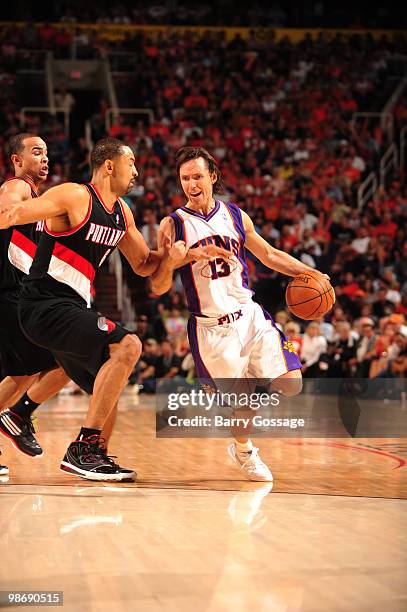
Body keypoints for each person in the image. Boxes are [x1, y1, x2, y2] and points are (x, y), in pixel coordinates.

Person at [0, 137, 191, 482]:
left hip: (70, 307)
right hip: (42, 303)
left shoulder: (122, 213)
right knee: (129, 344)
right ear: (109, 166)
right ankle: (78, 445)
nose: (135, 170)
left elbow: (144, 265)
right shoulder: (74, 195)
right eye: (130, 162)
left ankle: (89, 453)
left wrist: (175, 257)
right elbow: (10, 214)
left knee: (109, 382)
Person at [151, 146, 329, 481]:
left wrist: (311, 274)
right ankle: (244, 450)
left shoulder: (235, 214)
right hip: (211, 330)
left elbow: (270, 254)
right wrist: (175, 261)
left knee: (293, 383)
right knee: (242, 406)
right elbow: (158, 286)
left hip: (251, 316)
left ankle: (278, 355)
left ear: (212, 176)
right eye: (185, 178)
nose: (191, 184)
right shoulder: (172, 225)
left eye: (197, 176)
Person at [0, 133, 70, 473]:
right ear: (17, 160)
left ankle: (16, 416)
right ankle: (18, 416)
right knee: (63, 359)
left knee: (23, 373)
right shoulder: (17, 188)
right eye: (36, 152)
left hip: (19, 293)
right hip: (10, 292)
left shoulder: (38, 198)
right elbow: (6, 208)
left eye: (47, 153)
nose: (45, 158)